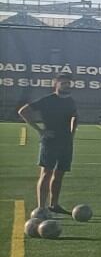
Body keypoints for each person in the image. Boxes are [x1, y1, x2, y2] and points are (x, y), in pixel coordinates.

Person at [17, 73, 78, 217]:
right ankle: (41, 208)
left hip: (66, 142)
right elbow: (23, 111)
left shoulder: (70, 101)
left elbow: (74, 116)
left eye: (69, 83)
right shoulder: (47, 100)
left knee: (60, 174)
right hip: (50, 142)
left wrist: (72, 133)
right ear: (55, 84)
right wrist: (40, 130)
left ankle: (54, 205)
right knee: (46, 174)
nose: (67, 86)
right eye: (63, 83)